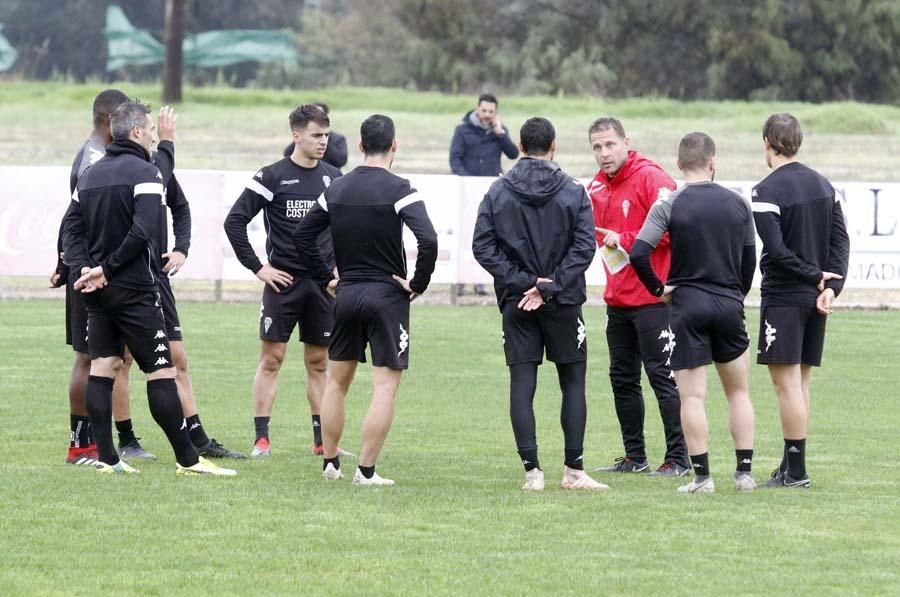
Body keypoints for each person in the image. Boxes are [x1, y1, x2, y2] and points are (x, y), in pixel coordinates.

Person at [56, 89, 244, 463]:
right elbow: (142, 230)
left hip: (99, 285)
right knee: (159, 369)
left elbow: (69, 230)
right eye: (151, 131)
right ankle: (185, 458)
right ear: (136, 131)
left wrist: (82, 269)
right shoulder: (144, 170)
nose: (156, 135)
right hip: (135, 284)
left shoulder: (93, 173)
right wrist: (101, 269)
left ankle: (110, 458)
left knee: (104, 365)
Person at [293, 114, 438, 486]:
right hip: (387, 297)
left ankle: (330, 464)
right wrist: (417, 283)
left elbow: (303, 236)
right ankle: (366, 472)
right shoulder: (401, 188)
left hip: (347, 294)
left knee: (337, 383)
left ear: (359, 147)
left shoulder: (336, 189)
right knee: (384, 387)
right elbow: (429, 239)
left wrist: (328, 276)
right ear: (394, 146)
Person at [472, 117, 607, 491]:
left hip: (518, 303)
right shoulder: (574, 191)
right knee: (573, 382)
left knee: (521, 381)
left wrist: (524, 283)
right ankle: (574, 471)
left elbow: (482, 247)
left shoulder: (498, 191)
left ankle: (533, 472)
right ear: (554, 145)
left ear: (519, 144)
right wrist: (549, 286)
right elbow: (584, 247)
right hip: (563, 301)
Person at [631, 132, 757, 494]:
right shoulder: (738, 203)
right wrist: (736, 295)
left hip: (687, 306)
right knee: (738, 392)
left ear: (679, 165)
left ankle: (702, 478)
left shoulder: (669, 203)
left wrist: (659, 289)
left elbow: (640, 253)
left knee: (692, 397)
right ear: (712, 163)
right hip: (728, 304)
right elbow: (749, 261)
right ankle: (744, 474)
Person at [225, 104, 345, 458]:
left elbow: (343, 229)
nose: (323, 142)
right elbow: (234, 223)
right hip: (283, 283)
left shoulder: (335, 178)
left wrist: (338, 270)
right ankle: (261, 438)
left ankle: (322, 440)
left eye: (326, 135)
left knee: (320, 362)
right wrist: (259, 268)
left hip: (323, 286)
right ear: (297, 135)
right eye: (316, 135)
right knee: (272, 359)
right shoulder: (272, 176)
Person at [751, 113, 849, 489]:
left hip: (784, 298)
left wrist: (814, 277)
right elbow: (840, 242)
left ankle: (795, 472)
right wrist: (829, 286)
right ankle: (789, 464)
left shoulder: (765, 191)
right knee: (801, 383)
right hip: (813, 298)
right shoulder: (824, 184)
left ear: (767, 143)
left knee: (786, 386)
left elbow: (775, 251)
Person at [587, 117, 690, 476]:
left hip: (653, 299)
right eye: (597, 147)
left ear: (626, 142)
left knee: (663, 377)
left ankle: (679, 458)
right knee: (622, 380)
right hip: (618, 300)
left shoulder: (652, 178)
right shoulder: (595, 188)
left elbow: (674, 228)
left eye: (610, 144)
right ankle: (635, 457)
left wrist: (627, 238)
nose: (604, 153)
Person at [450, 93, 519, 297]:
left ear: (495, 113)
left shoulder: (499, 131)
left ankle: (481, 281)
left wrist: (501, 133)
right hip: (468, 193)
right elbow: (455, 160)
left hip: (493, 196)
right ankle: (461, 281)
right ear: (477, 109)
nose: (487, 114)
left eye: (491, 111)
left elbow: (514, 154)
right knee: (466, 238)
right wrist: (469, 182)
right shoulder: (462, 130)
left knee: (491, 238)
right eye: (484, 110)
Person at [283, 101, 348, 169]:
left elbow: (341, 160)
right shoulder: (274, 173)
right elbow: (287, 154)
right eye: (316, 135)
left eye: (326, 135)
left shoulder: (338, 138)